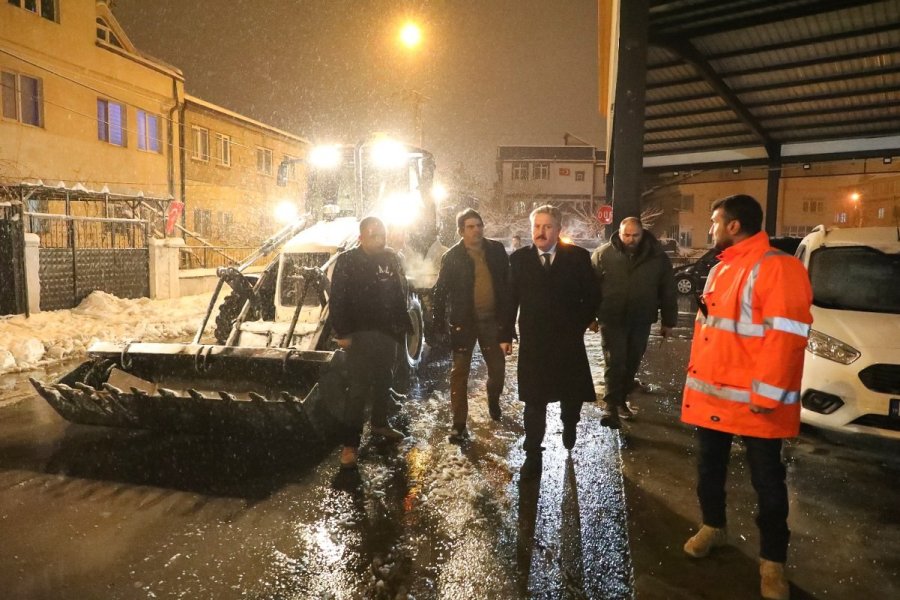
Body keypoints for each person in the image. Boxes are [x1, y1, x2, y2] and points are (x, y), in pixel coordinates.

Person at [680, 194, 812, 600]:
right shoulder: (722, 269)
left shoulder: (779, 268)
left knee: (768, 485)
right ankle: (713, 526)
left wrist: (767, 396)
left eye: (716, 221)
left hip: (757, 402)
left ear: (734, 225)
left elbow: (786, 337)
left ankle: (772, 564)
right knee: (708, 472)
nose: (711, 229)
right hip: (715, 398)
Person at [506, 205, 600, 477]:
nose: (541, 232)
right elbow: (511, 297)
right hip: (534, 343)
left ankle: (569, 423)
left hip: (568, 341)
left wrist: (579, 323)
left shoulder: (578, 257)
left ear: (559, 230)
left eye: (547, 226)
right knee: (534, 400)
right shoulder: (520, 260)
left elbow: (592, 295)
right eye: (536, 226)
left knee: (571, 395)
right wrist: (505, 333)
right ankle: (532, 453)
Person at [329, 216, 410, 469]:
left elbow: (399, 293)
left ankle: (379, 423)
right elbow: (338, 298)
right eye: (374, 234)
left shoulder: (391, 258)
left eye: (382, 233)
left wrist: (400, 327)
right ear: (361, 237)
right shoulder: (348, 261)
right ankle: (350, 445)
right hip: (359, 335)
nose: (380, 238)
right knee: (357, 390)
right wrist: (342, 332)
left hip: (386, 333)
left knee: (384, 380)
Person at [432, 208, 512, 441]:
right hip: (464, 324)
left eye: (479, 225)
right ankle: (458, 423)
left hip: (492, 322)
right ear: (461, 231)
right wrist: (438, 326)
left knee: (497, 370)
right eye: (470, 226)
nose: (476, 230)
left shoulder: (496, 251)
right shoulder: (452, 257)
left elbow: (507, 289)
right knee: (459, 374)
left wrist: (507, 326)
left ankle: (493, 398)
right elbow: (440, 292)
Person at [591, 216, 677, 428]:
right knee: (615, 360)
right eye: (626, 235)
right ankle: (611, 406)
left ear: (642, 234)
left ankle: (620, 400)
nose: (630, 239)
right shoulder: (603, 254)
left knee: (632, 360)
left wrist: (668, 321)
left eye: (634, 235)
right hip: (611, 317)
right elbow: (590, 287)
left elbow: (667, 290)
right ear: (619, 233)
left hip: (641, 317)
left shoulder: (657, 257)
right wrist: (589, 316)